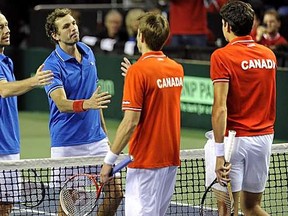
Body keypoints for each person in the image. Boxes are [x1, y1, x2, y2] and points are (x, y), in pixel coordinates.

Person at [100, 12, 184, 216]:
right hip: (170, 160)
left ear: (141, 37)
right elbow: (156, 97)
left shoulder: (139, 72)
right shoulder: (176, 69)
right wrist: (134, 76)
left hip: (146, 161)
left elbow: (130, 122)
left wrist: (109, 161)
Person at [43, 8, 122, 216]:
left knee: (116, 192)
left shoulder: (87, 52)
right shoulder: (52, 65)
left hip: (96, 141)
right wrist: (87, 103)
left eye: (73, 24)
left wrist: (106, 138)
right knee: (68, 206)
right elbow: (61, 103)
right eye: (66, 26)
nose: (73, 29)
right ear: (55, 35)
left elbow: (95, 99)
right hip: (67, 145)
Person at [206, 1, 276, 215]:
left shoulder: (222, 56)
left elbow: (220, 108)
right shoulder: (269, 55)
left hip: (232, 143)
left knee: (226, 210)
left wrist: (219, 154)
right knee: (251, 206)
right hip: (263, 140)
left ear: (227, 26)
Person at [0, 11, 53, 216]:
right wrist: (35, 81)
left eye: (6, 25)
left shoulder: (6, 61)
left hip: (9, 147)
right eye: (1, 27)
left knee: (5, 207)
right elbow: (4, 89)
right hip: (2, 150)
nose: (8, 30)